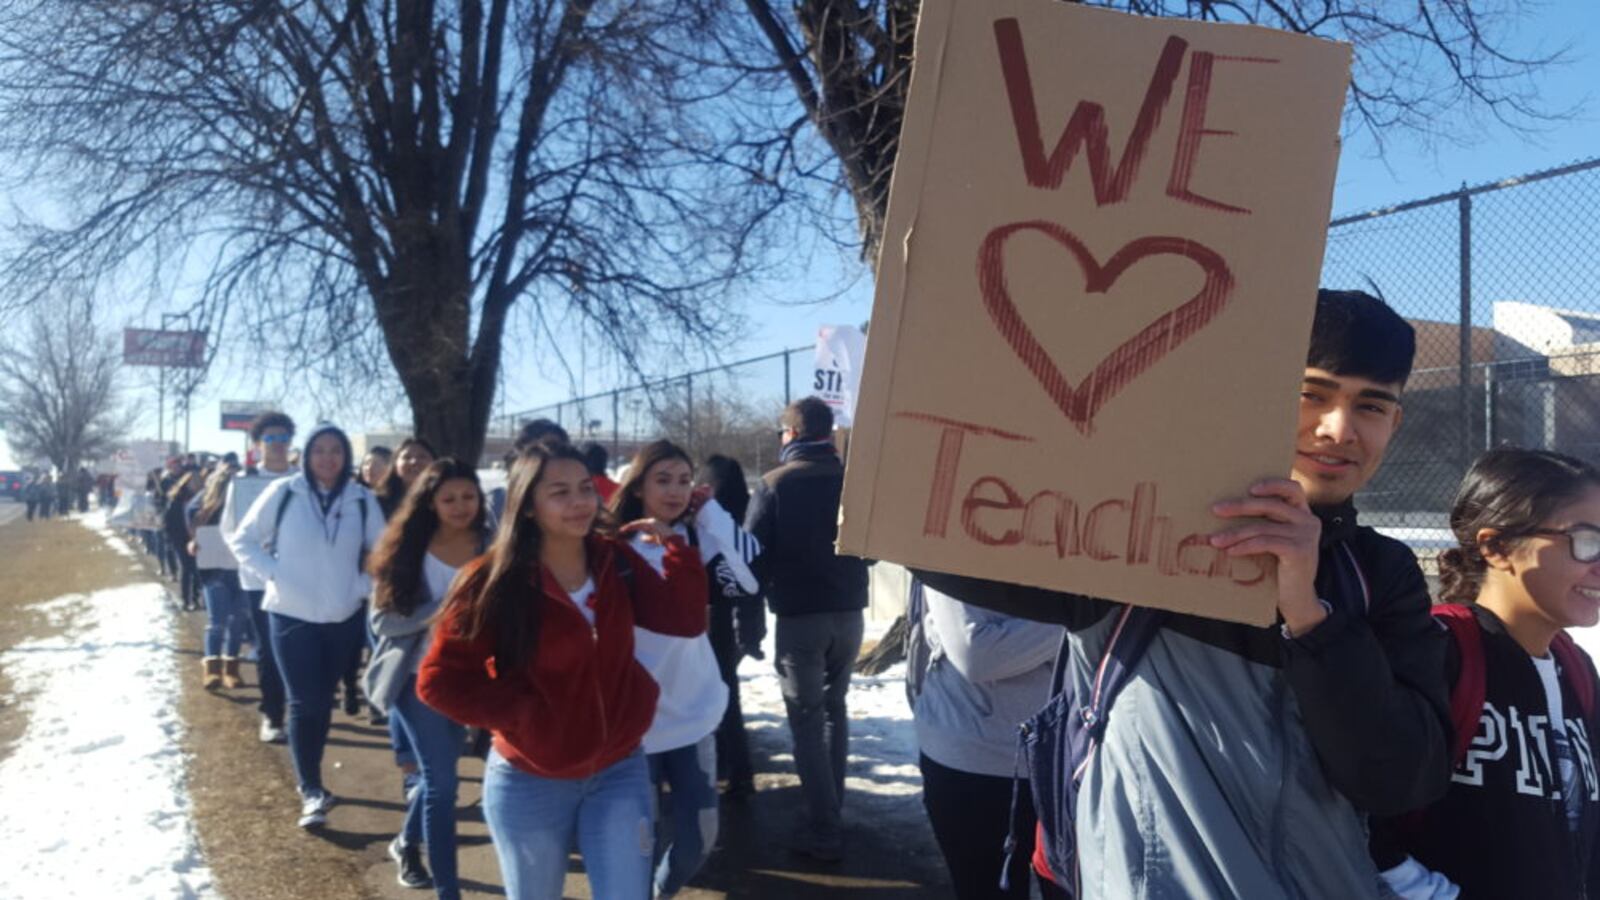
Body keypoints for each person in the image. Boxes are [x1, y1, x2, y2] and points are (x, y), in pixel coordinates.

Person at [919, 289, 1451, 897]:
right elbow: (946, 547)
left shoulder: (1382, 572)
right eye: (1312, 395)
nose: (1339, 429)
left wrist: (1310, 619)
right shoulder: (1145, 533)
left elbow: (1403, 778)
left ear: (1396, 422)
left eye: (1372, 406)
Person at [417, 443, 708, 900]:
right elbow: (438, 682)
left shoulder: (614, 561)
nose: (579, 502)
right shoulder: (492, 580)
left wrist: (676, 548)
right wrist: (524, 714)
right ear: (528, 506)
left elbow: (685, 620)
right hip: (530, 779)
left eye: (584, 489)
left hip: (620, 767)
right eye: (559, 492)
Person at [1372, 448, 1600, 898]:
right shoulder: (1437, 650)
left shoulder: (1577, 670)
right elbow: (1359, 816)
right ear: (1496, 546)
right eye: (1586, 541)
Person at [612, 441, 763, 897]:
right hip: (635, 721)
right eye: (663, 480)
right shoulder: (613, 546)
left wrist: (712, 515)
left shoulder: (697, 537)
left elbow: (748, 578)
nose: (675, 491)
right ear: (638, 486)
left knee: (699, 838)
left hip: (692, 713)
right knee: (641, 839)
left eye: (683, 480)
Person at [227, 422, 386, 829]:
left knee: (322, 699)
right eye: (320, 450)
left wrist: (361, 587)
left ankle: (313, 782)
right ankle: (311, 789)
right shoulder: (283, 493)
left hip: (342, 617)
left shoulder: (362, 500)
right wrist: (274, 574)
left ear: (345, 456)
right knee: (303, 702)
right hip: (289, 614)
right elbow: (242, 539)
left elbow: (386, 553)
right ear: (307, 455)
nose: (328, 458)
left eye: (336, 450)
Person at [745, 397, 870, 861]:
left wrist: (749, 620)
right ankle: (830, 807)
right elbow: (872, 548)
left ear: (791, 435)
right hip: (850, 613)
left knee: (805, 720)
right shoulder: (853, 482)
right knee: (835, 711)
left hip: (800, 620)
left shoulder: (775, 484)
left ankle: (824, 826)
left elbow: (750, 558)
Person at [367, 459, 490, 898]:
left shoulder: (494, 543)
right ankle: (448, 891)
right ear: (431, 503)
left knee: (443, 775)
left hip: (478, 680)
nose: (461, 506)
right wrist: (441, 611)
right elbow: (382, 623)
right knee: (442, 783)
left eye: (469, 496)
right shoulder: (408, 548)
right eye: (449, 498)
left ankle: (405, 841)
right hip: (418, 678)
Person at [906, 579, 1066, 899]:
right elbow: (977, 653)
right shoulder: (951, 540)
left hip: (1060, 759)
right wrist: (1079, 620)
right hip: (973, 763)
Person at [223, 411, 297, 743]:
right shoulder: (244, 481)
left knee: (298, 649)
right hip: (258, 582)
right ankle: (272, 715)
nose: (278, 445)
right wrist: (262, 565)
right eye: (270, 439)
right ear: (257, 444)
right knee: (269, 648)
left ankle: (300, 710)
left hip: (299, 579)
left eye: (283, 439)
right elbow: (230, 531)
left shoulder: (301, 481)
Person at [701, 454, 766, 794]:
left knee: (711, 696)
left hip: (710, 618)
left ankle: (722, 767)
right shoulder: (745, 512)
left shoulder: (705, 520)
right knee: (728, 694)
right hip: (737, 617)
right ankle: (739, 769)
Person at [191, 462, 250, 690]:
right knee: (217, 622)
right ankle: (212, 669)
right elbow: (192, 524)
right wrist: (193, 541)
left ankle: (231, 668)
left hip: (240, 570)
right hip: (214, 570)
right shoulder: (205, 506)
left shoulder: (248, 509)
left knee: (238, 621)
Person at [487, 419, 571, 523]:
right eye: (550, 447)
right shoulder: (497, 505)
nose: (553, 456)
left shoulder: (581, 502)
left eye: (562, 451)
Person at [164, 468, 203, 611]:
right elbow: (168, 520)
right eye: (194, 481)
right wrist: (172, 538)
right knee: (187, 568)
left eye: (199, 481)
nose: (197, 484)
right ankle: (186, 600)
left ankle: (196, 598)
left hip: (198, 537)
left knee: (198, 569)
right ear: (186, 483)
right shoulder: (177, 498)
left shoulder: (204, 497)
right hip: (180, 538)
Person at [378, 438, 437, 517]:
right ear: (395, 465)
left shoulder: (444, 498)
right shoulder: (378, 502)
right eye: (407, 457)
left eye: (422, 456)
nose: (414, 462)